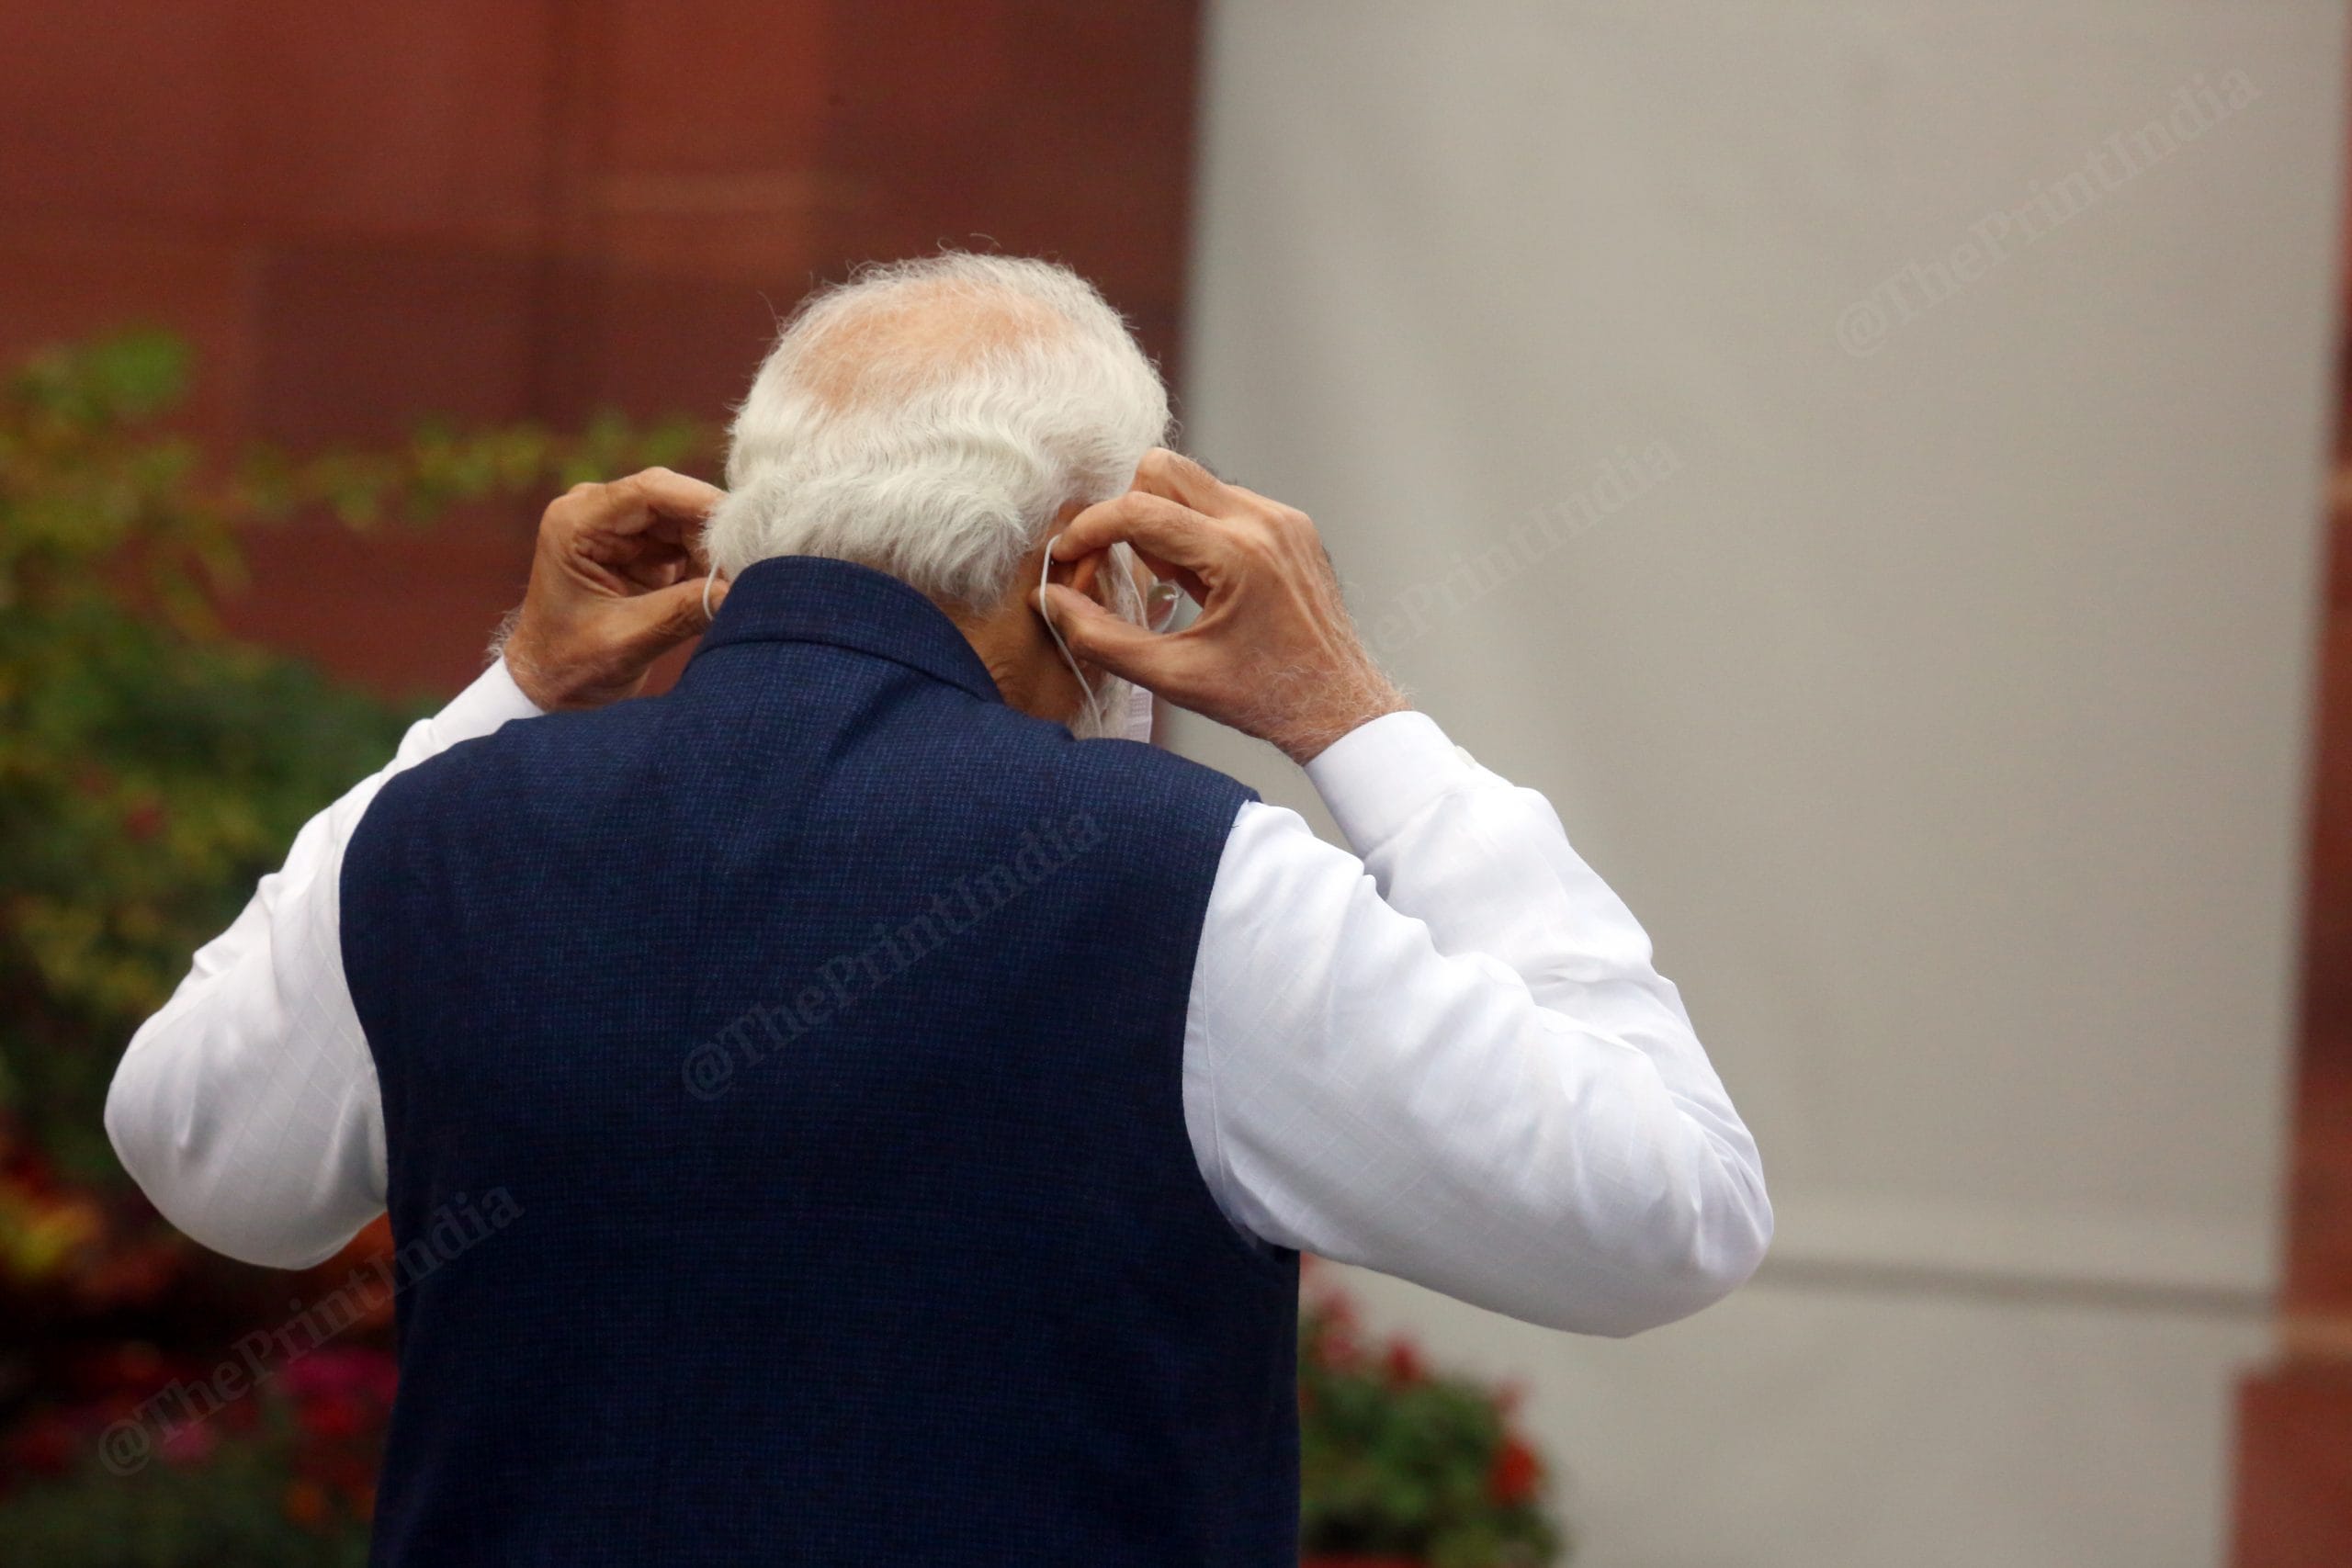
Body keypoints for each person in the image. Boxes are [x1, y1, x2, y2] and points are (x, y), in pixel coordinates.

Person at [107, 253, 1770, 1565]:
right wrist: (1347, 711)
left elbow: (202, 1152)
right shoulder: (1177, 882)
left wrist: (509, 693)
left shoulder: (454, 831)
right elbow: (1662, 1207)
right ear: (1082, 555)